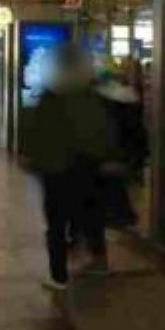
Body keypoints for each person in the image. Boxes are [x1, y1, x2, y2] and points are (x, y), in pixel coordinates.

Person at [25, 45, 120, 290]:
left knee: (56, 224)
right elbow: (105, 131)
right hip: (88, 168)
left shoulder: (51, 97)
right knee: (90, 216)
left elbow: (38, 134)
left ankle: (59, 275)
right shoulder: (92, 96)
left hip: (56, 170)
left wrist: (34, 160)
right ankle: (97, 262)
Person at [96, 65, 148, 231]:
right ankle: (123, 216)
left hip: (116, 150)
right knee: (116, 183)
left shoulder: (109, 103)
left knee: (112, 183)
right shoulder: (129, 97)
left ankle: (121, 216)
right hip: (128, 149)